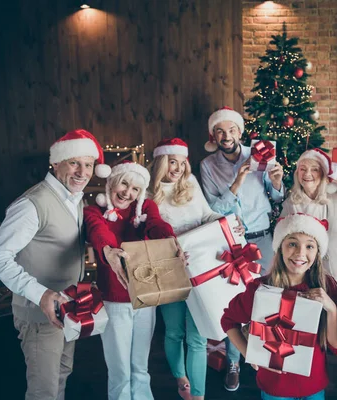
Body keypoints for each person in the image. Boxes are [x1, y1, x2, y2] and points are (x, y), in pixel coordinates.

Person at [0, 129, 110, 399]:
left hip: (68, 311)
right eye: (74, 162)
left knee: (61, 376)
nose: (82, 172)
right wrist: (41, 294)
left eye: (88, 165)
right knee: (44, 392)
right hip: (39, 316)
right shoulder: (32, 204)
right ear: (55, 163)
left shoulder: (75, 198)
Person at [149, 138, 243, 400]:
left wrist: (230, 224)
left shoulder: (190, 185)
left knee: (198, 336)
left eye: (181, 162)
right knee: (175, 330)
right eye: (172, 162)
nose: (178, 168)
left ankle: (199, 395)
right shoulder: (148, 194)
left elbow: (208, 216)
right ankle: (181, 379)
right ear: (160, 162)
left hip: (200, 267)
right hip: (169, 269)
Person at [200, 106, 285, 391]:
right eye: (220, 131)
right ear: (214, 135)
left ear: (240, 131)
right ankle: (234, 362)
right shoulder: (208, 166)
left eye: (231, 130)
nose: (227, 135)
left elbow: (275, 198)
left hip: (262, 238)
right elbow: (213, 208)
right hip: (231, 241)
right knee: (236, 301)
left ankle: (272, 356)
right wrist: (236, 182)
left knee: (271, 298)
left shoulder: (260, 153)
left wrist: (277, 182)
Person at [221, 213, 337, 400]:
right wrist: (249, 353)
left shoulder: (326, 287)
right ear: (280, 248)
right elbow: (228, 320)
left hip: (313, 384)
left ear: (317, 253)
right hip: (274, 385)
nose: (300, 253)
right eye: (292, 243)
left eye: (309, 246)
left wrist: (332, 309)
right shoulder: (259, 289)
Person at [84, 160, 177, 400]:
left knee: (140, 367)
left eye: (135, 188)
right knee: (120, 371)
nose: (128, 192)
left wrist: (169, 240)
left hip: (145, 295)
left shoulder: (145, 207)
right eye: (123, 184)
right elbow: (98, 231)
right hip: (114, 300)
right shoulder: (94, 210)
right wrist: (108, 250)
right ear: (112, 182)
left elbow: (156, 225)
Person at [280, 148, 337, 285]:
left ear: (323, 173)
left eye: (314, 169)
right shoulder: (291, 204)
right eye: (302, 169)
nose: (307, 174)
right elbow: (282, 236)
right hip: (310, 272)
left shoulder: (336, 196)